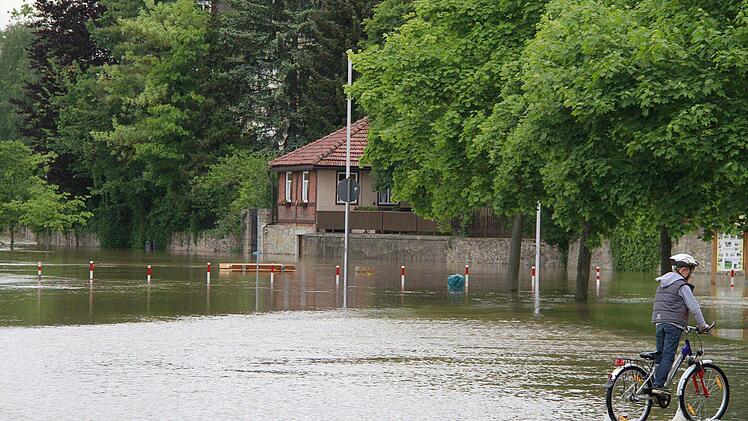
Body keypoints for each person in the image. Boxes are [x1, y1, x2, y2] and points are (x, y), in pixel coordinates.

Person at [650, 253, 710, 395]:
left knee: (660, 354)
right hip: (673, 325)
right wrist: (703, 326)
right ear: (683, 270)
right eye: (690, 270)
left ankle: (652, 383)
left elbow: (665, 305)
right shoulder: (682, 285)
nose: (691, 275)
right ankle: (658, 386)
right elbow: (694, 307)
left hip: (659, 322)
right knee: (668, 356)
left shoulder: (663, 283)